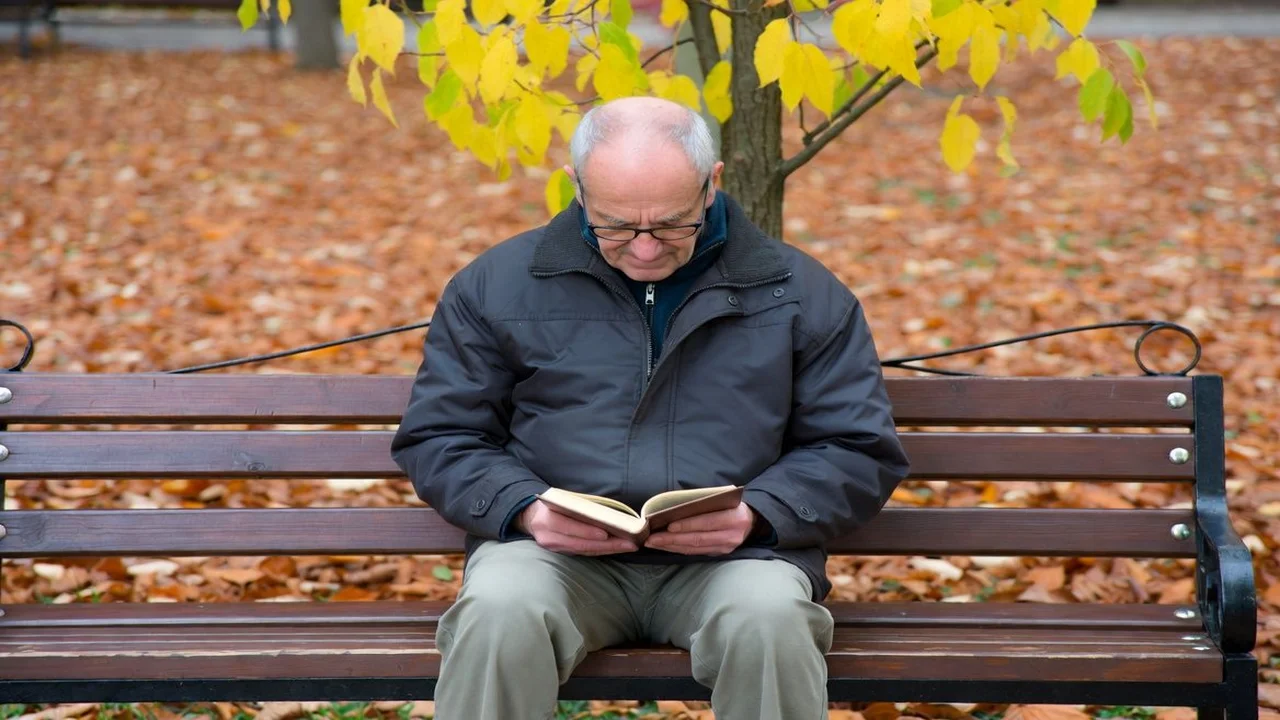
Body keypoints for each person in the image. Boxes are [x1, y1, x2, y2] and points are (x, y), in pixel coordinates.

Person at [391, 96, 910, 720]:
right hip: (553, 558)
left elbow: (857, 447)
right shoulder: (495, 285)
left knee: (770, 619)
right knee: (499, 611)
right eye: (615, 225)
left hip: (736, 560)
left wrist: (760, 515)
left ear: (711, 185)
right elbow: (442, 436)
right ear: (578, 189)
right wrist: (522, 510)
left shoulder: (800, 294)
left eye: (670, 224)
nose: (643, 250)